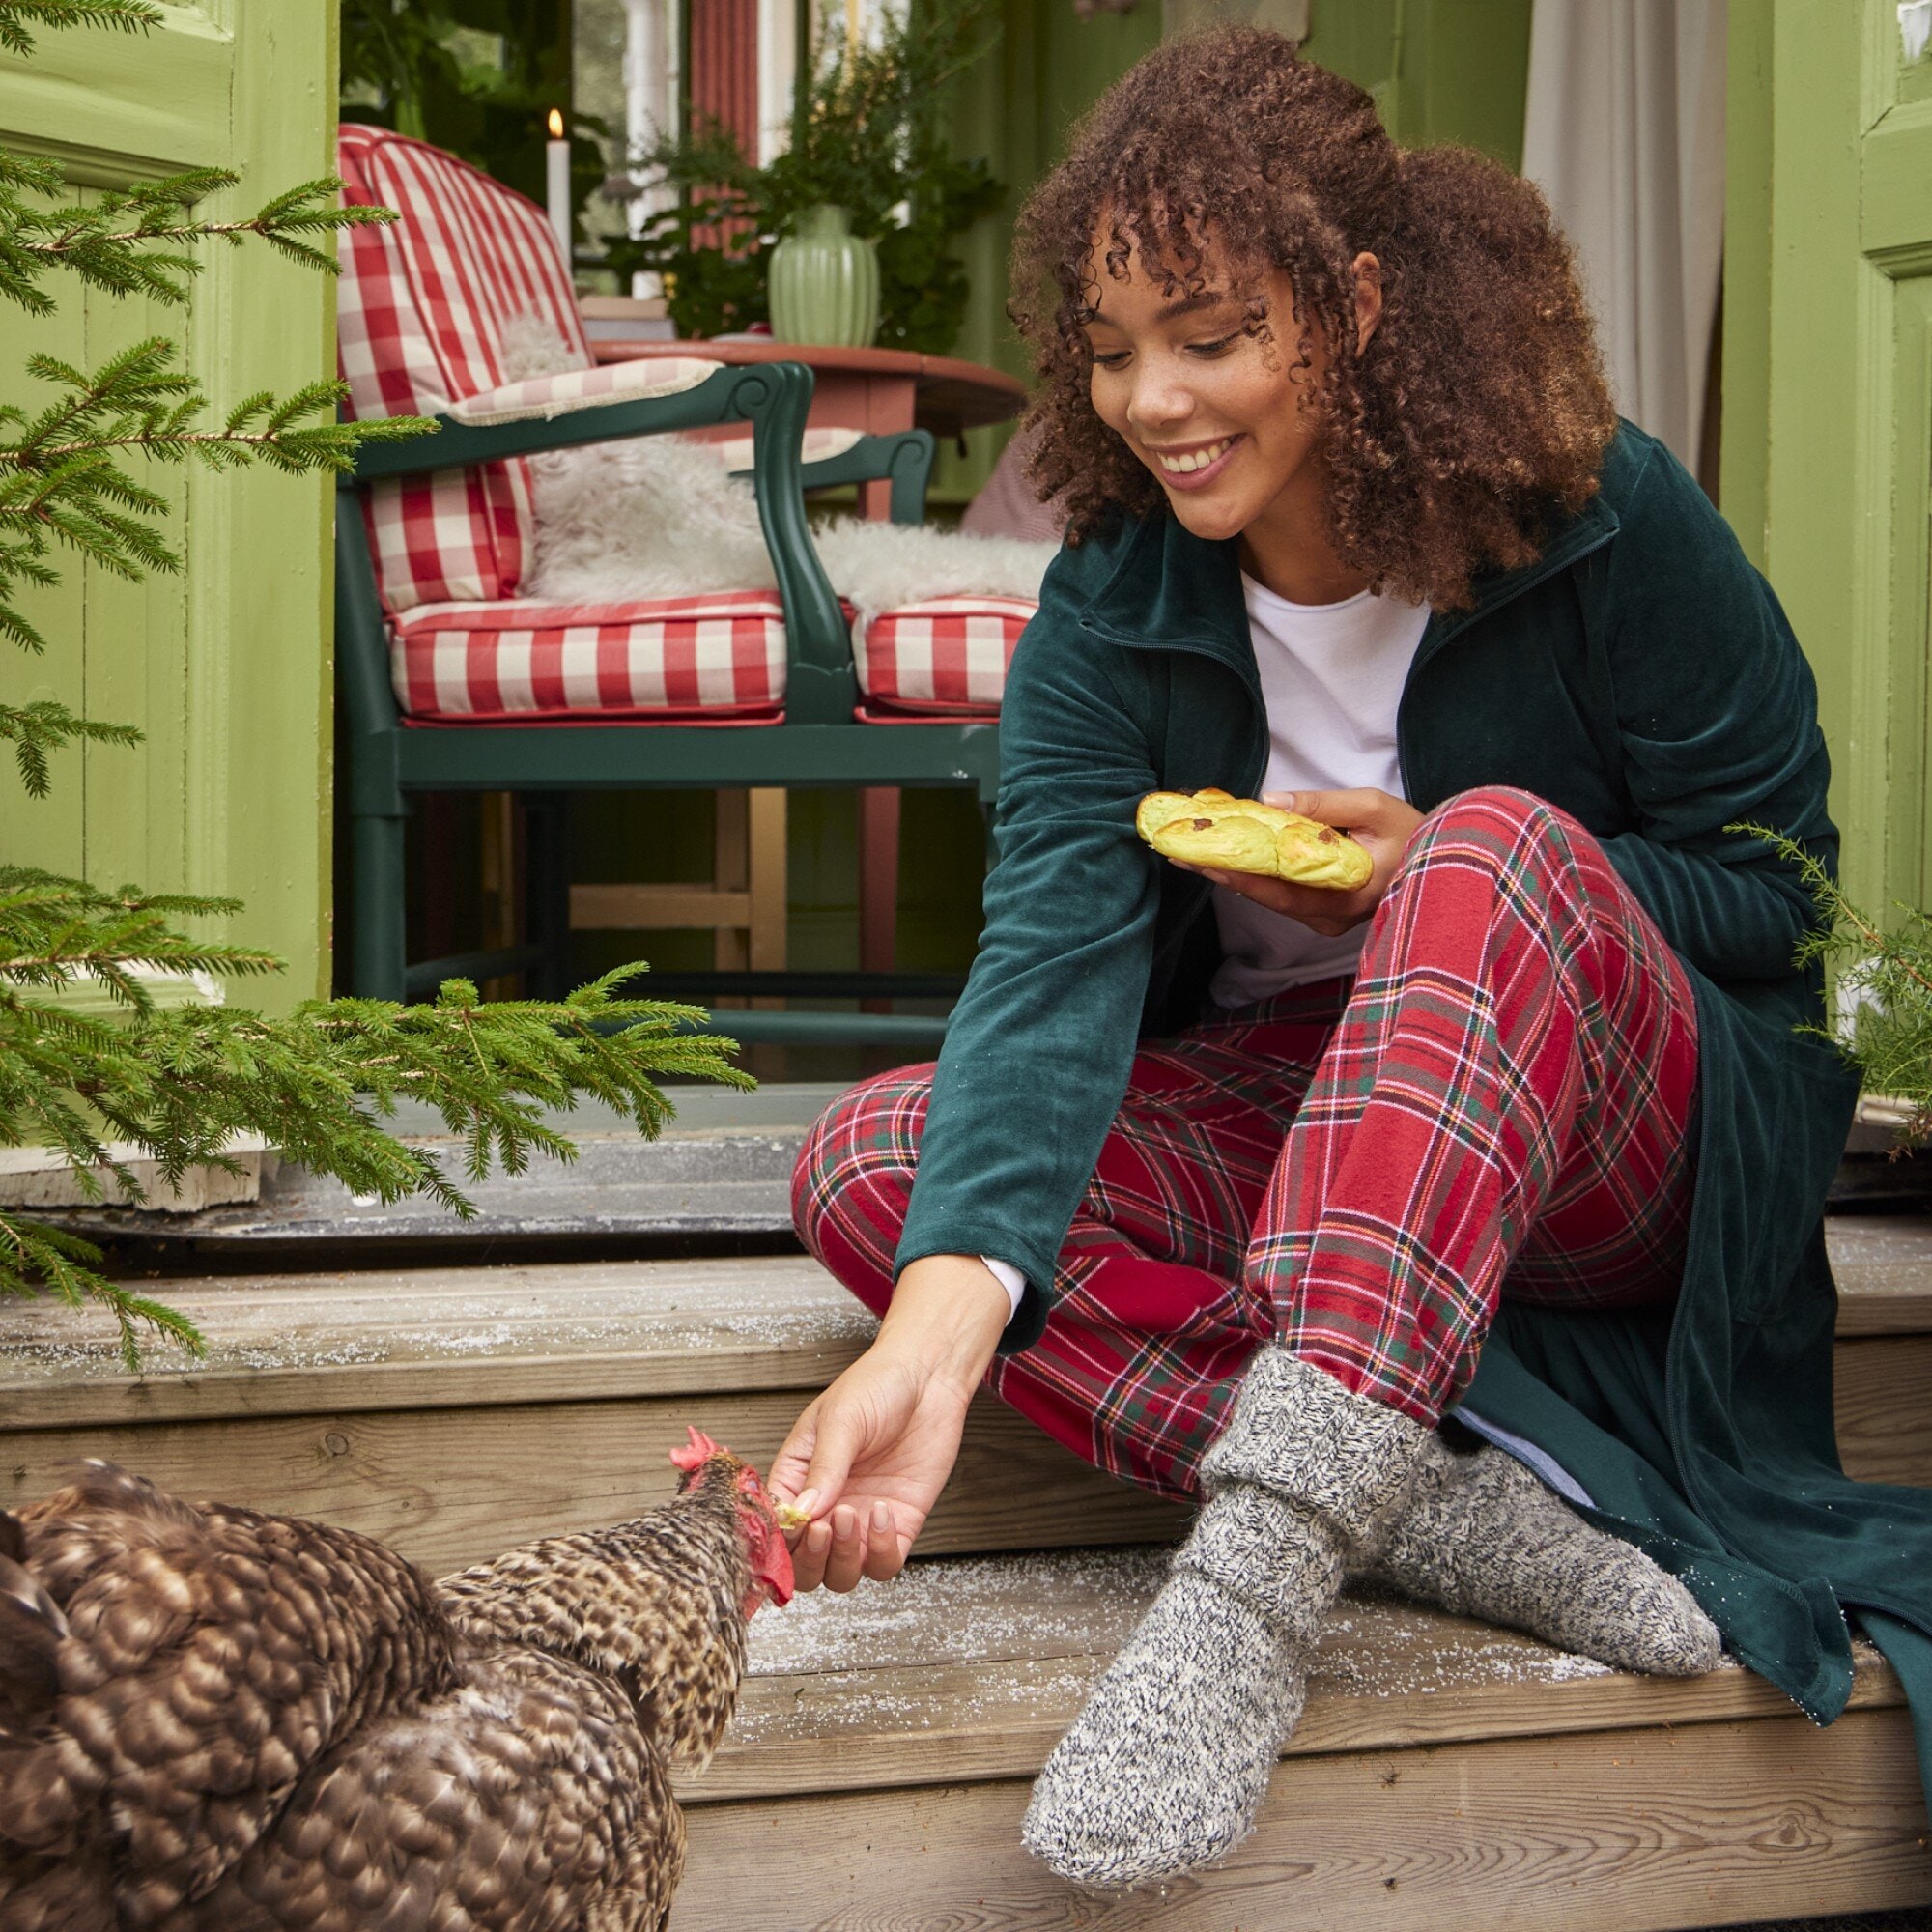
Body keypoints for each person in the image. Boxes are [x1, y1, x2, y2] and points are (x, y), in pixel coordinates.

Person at [770, 28, 1932, 1891]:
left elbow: (1776, 892)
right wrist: (937, 1328)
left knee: (1486, 850)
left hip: (1608, 1159)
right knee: (878, 1167)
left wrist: (1442, 891)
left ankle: (1259, 1577)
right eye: (1112, 342)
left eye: (1212, 335)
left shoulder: (1606, 522)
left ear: (1354, 303)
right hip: (1303, 1151)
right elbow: (1054, 958)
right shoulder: (1115, 602)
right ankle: (1449, 1515)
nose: (1153, 398)